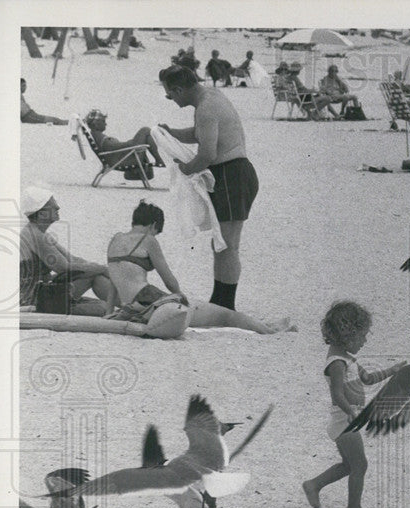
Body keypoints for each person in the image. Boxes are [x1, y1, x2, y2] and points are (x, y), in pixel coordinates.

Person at [158, 64, 258, 312]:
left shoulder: (206, 107)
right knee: (222, 243)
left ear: (179, 89)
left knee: (227, 244)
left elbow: (207, 154)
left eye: (169, 93)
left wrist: (185, 169)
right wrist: (171, 133)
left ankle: (226, 304)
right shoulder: (211, 97)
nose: (170, 99)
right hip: (236, 173)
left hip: (232, 174)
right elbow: (201, 133)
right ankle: (220, 300)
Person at [105, 201, 292, 333]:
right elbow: (169, 280)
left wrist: (108, 313)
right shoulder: (148, 240)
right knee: (224, 316)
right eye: (157, 231)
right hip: (148, 300)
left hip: (130, 305)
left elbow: (114, 281)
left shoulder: (115, 240)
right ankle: (269, 330)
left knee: (214, 315)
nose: (156, 235)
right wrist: (181, 297)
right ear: (153, 225)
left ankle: (265, 326)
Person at [302, 301, 404, 508]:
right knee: (360, 465)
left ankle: (313, 485)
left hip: (347, 418)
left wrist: (392, 371)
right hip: (344, 420)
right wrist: (351, 413)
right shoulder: (337, 363)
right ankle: (354, 507)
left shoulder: (348, 358)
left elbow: (367, 379)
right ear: (347, 334)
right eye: (363, 336)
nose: (365, 341)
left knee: (349, 465)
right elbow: (337, 394)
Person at [19, 187, 114, 314]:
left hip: (43, 292)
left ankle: (129, 306)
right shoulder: (36, 236)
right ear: (41, 214)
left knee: (95, 276)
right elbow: (64, 268)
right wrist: (102, 269)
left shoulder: (37, 232)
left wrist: (98, 267)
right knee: (103, 307)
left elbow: (72, 259)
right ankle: (131, 306)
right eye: (53, 205)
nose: (58, 207)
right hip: (34, 299)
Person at [84, 108, 164, 167]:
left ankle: (160, 160)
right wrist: (129, 143)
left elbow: (111, 147)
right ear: (96, 124)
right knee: (145, 130)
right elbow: (112, 147)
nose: (106, 124)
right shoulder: (97, 135)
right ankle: (160, 159)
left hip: (123, 156)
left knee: (147, 134)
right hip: (123, 160)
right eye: (103, 122)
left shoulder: (96, 135)